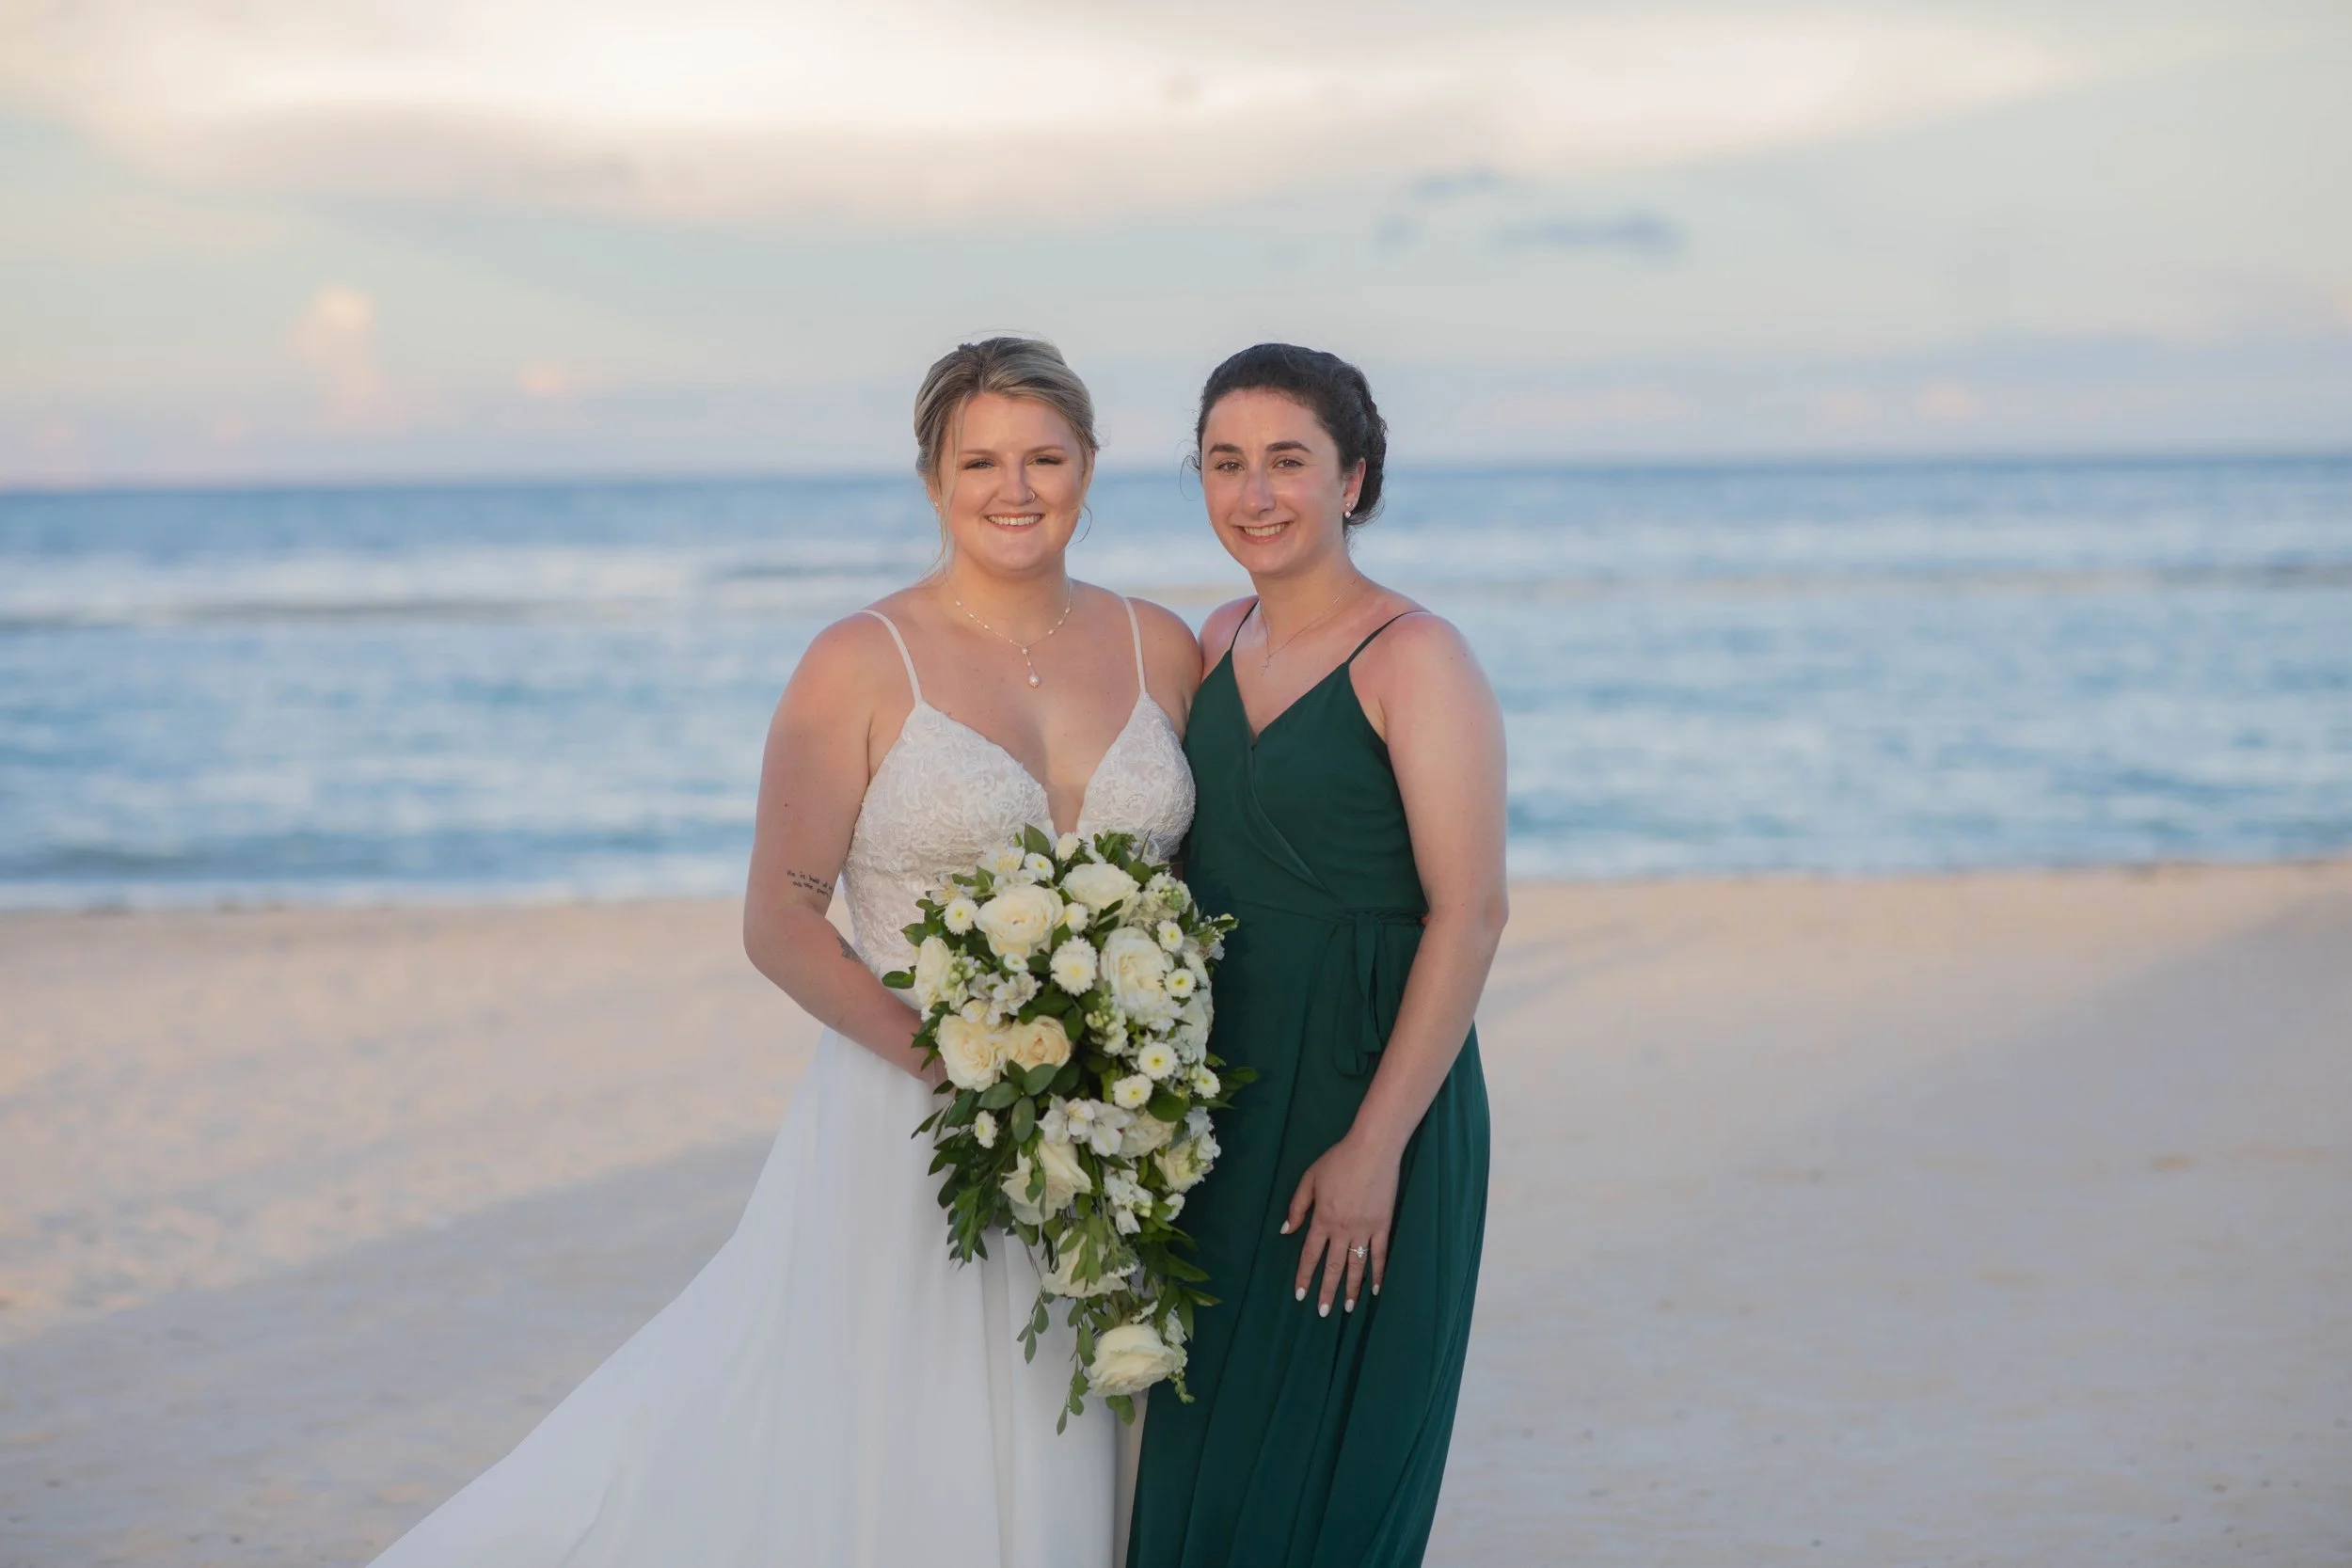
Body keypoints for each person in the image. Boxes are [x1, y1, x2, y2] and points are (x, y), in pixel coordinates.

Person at [369, 338, 1202, 1566]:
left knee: (1067, 1419)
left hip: (1114, 1125)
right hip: (915, 1115)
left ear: (1089, 464)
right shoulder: (858, 660)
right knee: (891, 1436)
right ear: (932, 478)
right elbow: (781, 918)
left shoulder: (1163, 647)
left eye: (1044, 457)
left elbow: (1201, 890)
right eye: (980, 461)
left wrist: (1144, 1064)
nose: (1014, 488)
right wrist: (961, 1069)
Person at [1126, 344, 1504, 1567]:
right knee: (1204, 1445)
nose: (1255, 493)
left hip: (1368, 1087)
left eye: (1288, 461)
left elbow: (1470, 912)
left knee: (1337, 1466)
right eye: (1225, 462)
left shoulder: (1416, 656)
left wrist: (1375, 1149)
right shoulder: (1213, 637)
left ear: (1354, 479)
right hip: (1225, 1095)